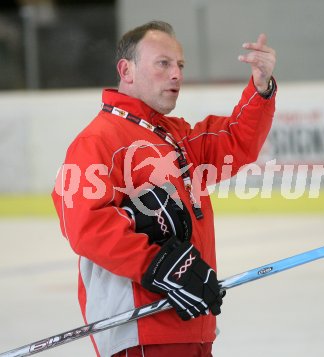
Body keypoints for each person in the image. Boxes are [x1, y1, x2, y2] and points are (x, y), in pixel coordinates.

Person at [52, 20, 276, 357]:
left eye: (180, 65)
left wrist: (260, 90)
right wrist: (158, 265)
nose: (177, 74)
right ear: (126, 70)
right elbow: (85, 226)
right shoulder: (98, 141)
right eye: (163, 63)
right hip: (141, 332)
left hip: (190, 322)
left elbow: (231, 140)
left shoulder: (174, 135)